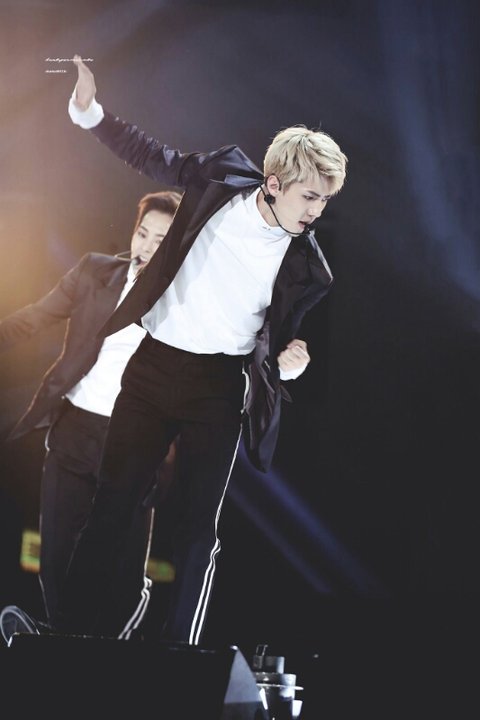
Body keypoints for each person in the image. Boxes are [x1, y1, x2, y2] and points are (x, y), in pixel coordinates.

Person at [2, 55, 347, 647]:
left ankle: (178, 655)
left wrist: (289, 363)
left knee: (195, 529)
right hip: (154, 368)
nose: (317, 211)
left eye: (325, 200)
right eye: (310, 196)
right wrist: (89, 113)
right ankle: (65, 640)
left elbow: (278, 338)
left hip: (218, 388)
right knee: (112, 507)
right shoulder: (220, 180)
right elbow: (151, 155)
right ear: (273, 184)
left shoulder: (309, 267)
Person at [0, 189, 182, 644]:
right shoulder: (95, 271)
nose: (146, 246)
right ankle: (63, 650)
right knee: (56, 560)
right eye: (142, 233)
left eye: (160, 240)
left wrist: (282, 364)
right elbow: (35, 317)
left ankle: (76, 651)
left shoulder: (186, 300)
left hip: (133, 446)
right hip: (74, 430)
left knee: (124, 578)